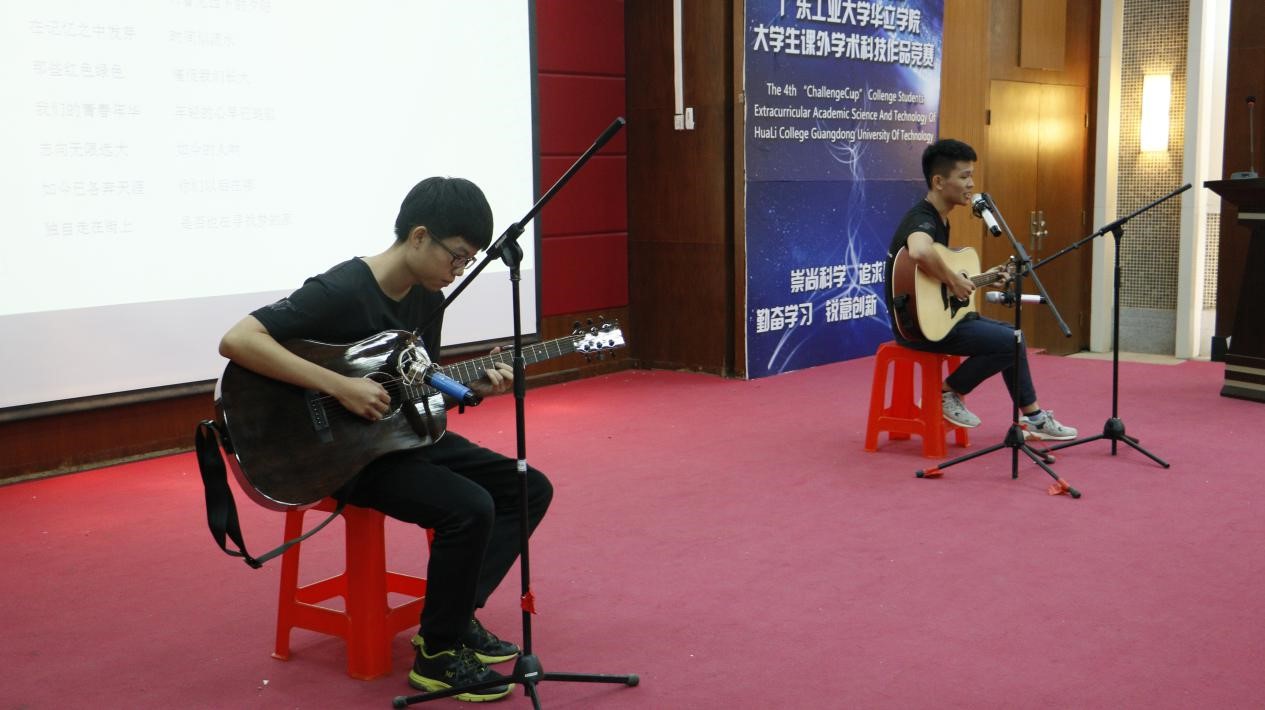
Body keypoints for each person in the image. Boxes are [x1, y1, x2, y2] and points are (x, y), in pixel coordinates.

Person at [219, 176, 553, 702]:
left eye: (467, 261)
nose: (459, 269)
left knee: (528, 487)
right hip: (334, 455)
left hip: (393, 439)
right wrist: (341, 387)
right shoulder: (343, 288)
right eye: (457, 256)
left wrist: (471, 389)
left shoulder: (427, 298)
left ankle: (453, 618)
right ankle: (437, 657)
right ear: (419, 236)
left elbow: (411, 392)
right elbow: (238, 339)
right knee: (469, 507)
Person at [882, 139, 1077, 440]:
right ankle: (946, 393)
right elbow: (919, 251)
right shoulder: (922, 218)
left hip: (937, 319)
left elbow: (934, 278)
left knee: (1013, 334)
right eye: (964, 177)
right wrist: (953, 279)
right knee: (1010, 341)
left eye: (971, 176)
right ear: (939, 181)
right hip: (917, 328)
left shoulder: (941, 219)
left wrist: (985, 278)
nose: (971, 185)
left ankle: (1034, 417)